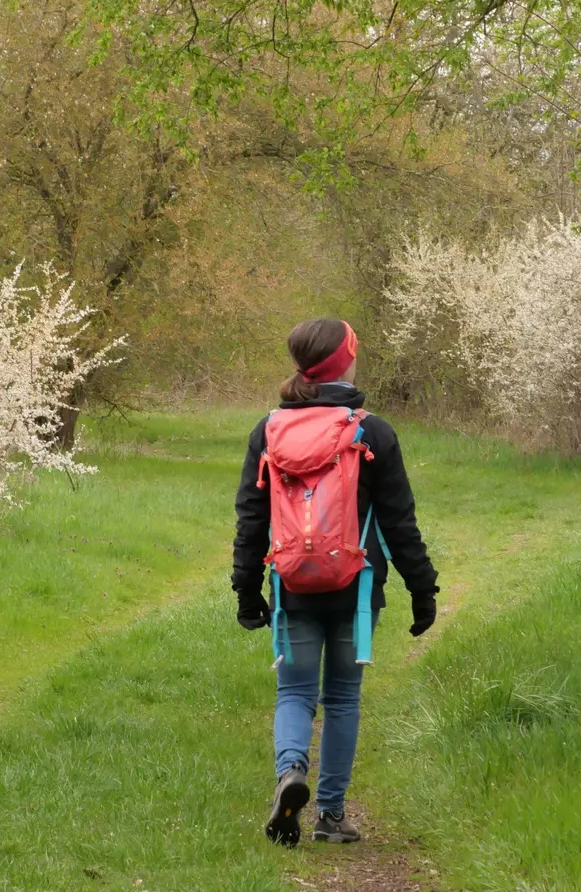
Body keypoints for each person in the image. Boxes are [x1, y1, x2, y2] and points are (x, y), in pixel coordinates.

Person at [231, 317, 441, 846]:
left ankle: (289, 773)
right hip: (357, 588)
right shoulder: (372, 431)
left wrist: (246, 588)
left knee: (296, 693)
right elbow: (399, 522)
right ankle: (329, 815)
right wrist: (423, 590)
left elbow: (252, 519)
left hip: (291, 587)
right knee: (343, 698)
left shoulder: (269, 430)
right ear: (343, 361)